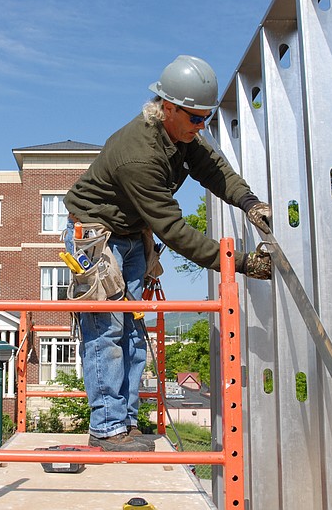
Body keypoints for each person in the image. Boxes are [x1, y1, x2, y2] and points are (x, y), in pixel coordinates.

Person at [63, 55, 272, 452]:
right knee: (106, 330)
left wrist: (249, 202)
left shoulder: (183, 135)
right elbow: (174, 230)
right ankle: (106, 430)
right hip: (95, 236)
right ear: (168, 108)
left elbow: (213, 169)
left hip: (131, 234)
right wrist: (240, 262)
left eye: (206, 118)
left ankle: (123, 423)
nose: (202, 126)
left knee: (134, 329)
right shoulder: (139, 155)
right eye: (196, 118)